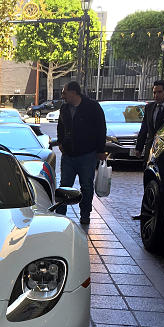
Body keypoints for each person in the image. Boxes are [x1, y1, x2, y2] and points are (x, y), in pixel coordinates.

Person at [56, 81, 108, 225]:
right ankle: (60, 215)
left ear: (73, 93)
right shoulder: (64, 108)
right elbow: (60, 126)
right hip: (68, 155)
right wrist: (61, 142)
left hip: (87, 155)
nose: (63, 95)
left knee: (86, 186)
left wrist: (101, 150)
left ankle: (85, 214)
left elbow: (101, 129)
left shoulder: (93, 107)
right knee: (64, 185)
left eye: (64, 92)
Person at [131, 79, 164, 220]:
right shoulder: (149, 107)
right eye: (154, 92)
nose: (156, 95)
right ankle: (147, 209)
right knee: (149, 179)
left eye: (159, 92)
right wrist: (139, 148)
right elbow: (144, 129)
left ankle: (162, 212)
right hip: (151, 149)